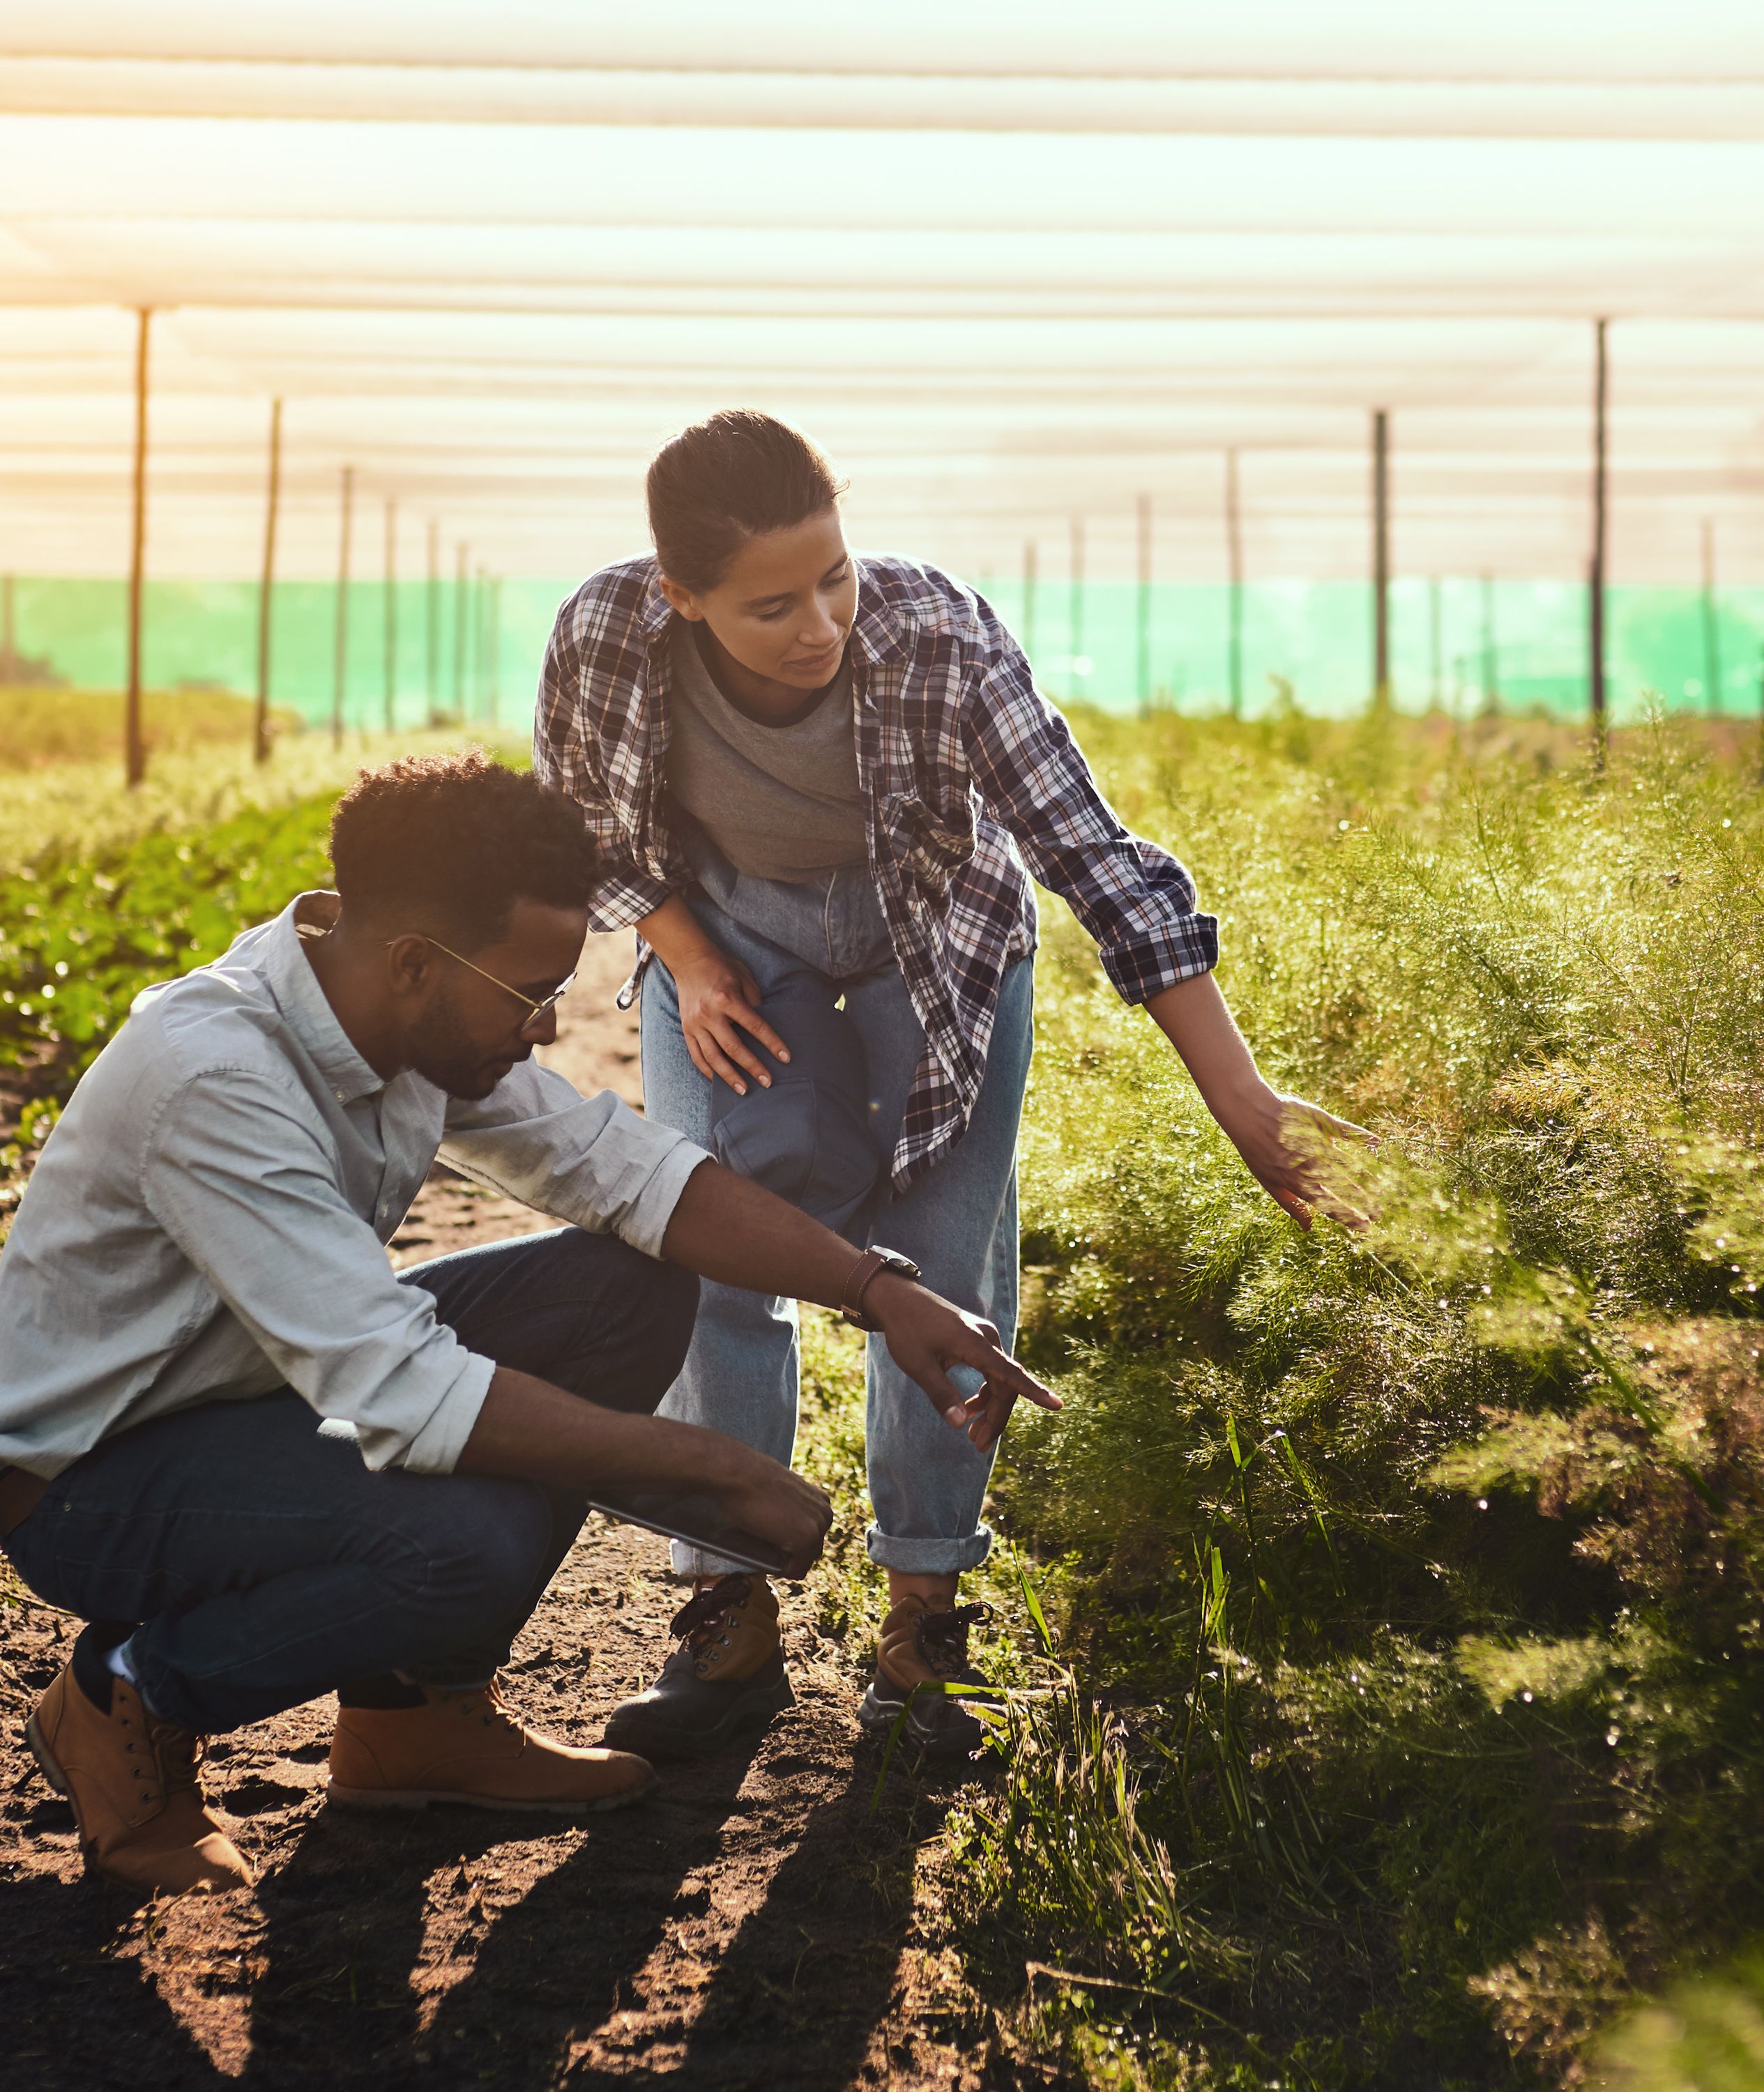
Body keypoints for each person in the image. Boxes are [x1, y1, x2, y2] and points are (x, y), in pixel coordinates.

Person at [0, 754, 1050, 1895]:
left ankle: (410, 1720)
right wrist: (707, 1468)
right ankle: (128, 1693)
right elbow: (398, 1388)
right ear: (415, 962)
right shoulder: (215, 1078)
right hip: (94, 1481)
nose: (545, 1026)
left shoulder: (394, 1012)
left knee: (627, 1288)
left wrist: (878, 1289)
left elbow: (627, 1174)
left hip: (254, 1394)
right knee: (462, 1544)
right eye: (528, 993)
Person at [536, 412, 1328, 1757]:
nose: (820, 626)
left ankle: (922, 1628)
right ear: (682, 596)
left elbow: (1091, 856)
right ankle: (726, 1612)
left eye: (833, 577)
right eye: (771, 606)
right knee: (708, 1246)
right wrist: (691, 960)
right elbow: (583, 821)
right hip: (727, 935)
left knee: (945, 1264)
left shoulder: (938, 635)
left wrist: (1243, 1102)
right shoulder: (609, 634)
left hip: (940, 939)